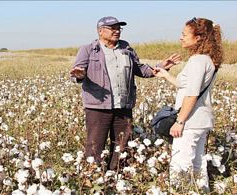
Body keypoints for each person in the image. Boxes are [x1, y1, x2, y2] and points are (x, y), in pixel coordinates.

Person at [70, 16, 181, 170]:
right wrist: (79, 75)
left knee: (122, 146)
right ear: (100, 31)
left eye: (118, 28)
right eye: (112, 28)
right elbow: (76, 74)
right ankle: (92, 177)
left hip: (123, 106)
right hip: (98, 108)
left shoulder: (126, 48)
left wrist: (162, 66)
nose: (116, 31)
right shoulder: (88, 50)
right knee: (95, 146)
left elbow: (141, 69)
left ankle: (116, 177)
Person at [153, 17, 223, 191]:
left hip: (190, 121)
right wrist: (166, 75)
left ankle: (179, 191)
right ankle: (202, 191)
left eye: (184, 34)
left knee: (180, 163)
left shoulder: (198, 61)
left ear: (198, 38)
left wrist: (180, 121)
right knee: (198, 163)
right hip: (201, 120)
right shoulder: (207, 60)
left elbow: (191, 95)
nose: (181, 38)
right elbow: (185, 85)